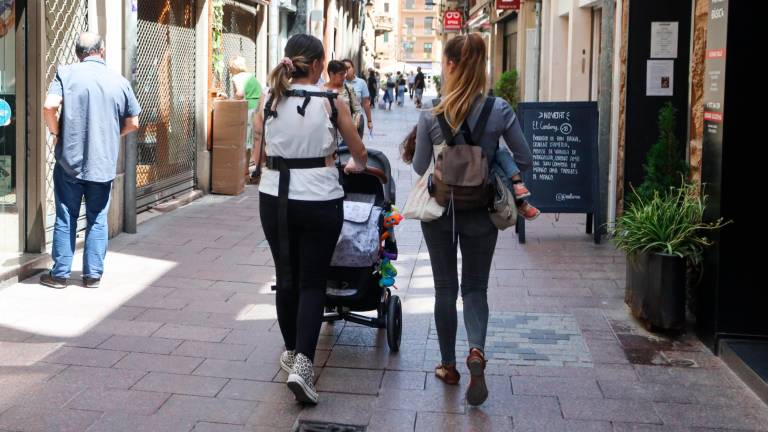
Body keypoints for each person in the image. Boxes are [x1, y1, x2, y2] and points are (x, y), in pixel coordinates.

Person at [412, 33, 532, 406]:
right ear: (482, 67)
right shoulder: (499, 109)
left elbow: (419, 166)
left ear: (448, 66)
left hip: (439, 212)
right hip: (481, 211)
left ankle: (448, 365)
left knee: (444, 290)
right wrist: (491, 158)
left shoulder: (431, 111)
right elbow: (524, 156)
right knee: (475, 288)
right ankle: (476, 351)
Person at [253, 34, 367, 405]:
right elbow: (358, 150)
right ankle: (303, 362)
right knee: (312, 281)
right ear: (318, 65)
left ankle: (291, 353)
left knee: (286, 276)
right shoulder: (332, 101)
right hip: (319, 198)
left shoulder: (269, 98)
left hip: (274, 198)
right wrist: (356, 164)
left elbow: (260, 145)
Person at [40, 32, 141, 290]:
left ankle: (60, 274)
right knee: (97, 218)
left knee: (65, 216)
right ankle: (92, 275)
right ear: (102, 50)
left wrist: (56, 132)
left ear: (77, 53)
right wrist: (110, 133)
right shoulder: (119, 81)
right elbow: (133, 123)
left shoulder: (66, 73)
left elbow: (49, 106)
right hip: (102, 162)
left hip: (69, 161)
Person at [228, 55, 263, 177]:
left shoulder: (236, 77)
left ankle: (244, 172)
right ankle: (254, 170)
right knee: (256, 140)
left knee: (246, 142)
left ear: (233, 67)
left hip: (248, 109)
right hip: (259, 108)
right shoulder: (251, 76)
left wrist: (228, 99)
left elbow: (240, 93)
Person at [323, 60, 363, 146]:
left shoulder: (349, 89)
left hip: (346, 136)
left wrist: (353, 127)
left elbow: (357, 110)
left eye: (344, 74)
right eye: (341, 74)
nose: (344, 77)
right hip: (326, 135)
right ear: (332, 74)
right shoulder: (321, 90)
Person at [342, 59, 373, 137]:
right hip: (342, 120)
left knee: (356, 146)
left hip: (357, 119)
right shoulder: (339, 83)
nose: (346, 71)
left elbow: (366, 103)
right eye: (344, 69)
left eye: (348, 68)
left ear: (353, 68)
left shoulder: (361, 83)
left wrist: (369, 121)